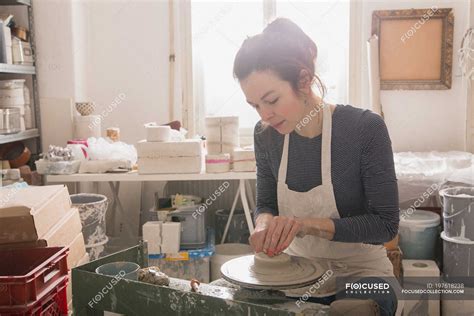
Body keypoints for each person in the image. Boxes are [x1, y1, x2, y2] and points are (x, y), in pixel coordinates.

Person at [233, 18, 400, 316]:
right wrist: (264, 225)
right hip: (295, 271)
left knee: (351, 310)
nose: (265, 115)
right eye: (255, 105)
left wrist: (305, 224)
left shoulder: (365, 129)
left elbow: (385, 226)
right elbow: (266, 203)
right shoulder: (266, 136)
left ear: (304, 80)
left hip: (363, 273)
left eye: (271, 100)